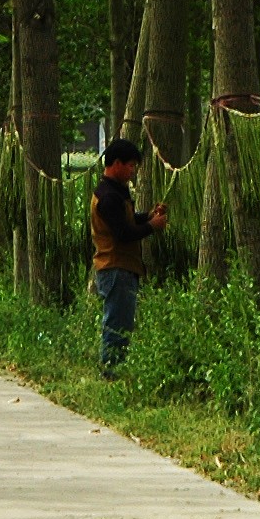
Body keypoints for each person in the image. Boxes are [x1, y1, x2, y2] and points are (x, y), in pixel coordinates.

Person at [89, 137, 167, 374]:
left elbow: (127, 222)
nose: (133, 171)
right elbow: (123, 233)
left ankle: (115, 367)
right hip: (116, 267)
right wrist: (152, 226)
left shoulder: (114, 191)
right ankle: (111, 371)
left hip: (121, 267)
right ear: (116, 163)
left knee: (121, 322)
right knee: (116, 324)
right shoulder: (109, 196)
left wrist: (148, 216)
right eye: (131, 165)